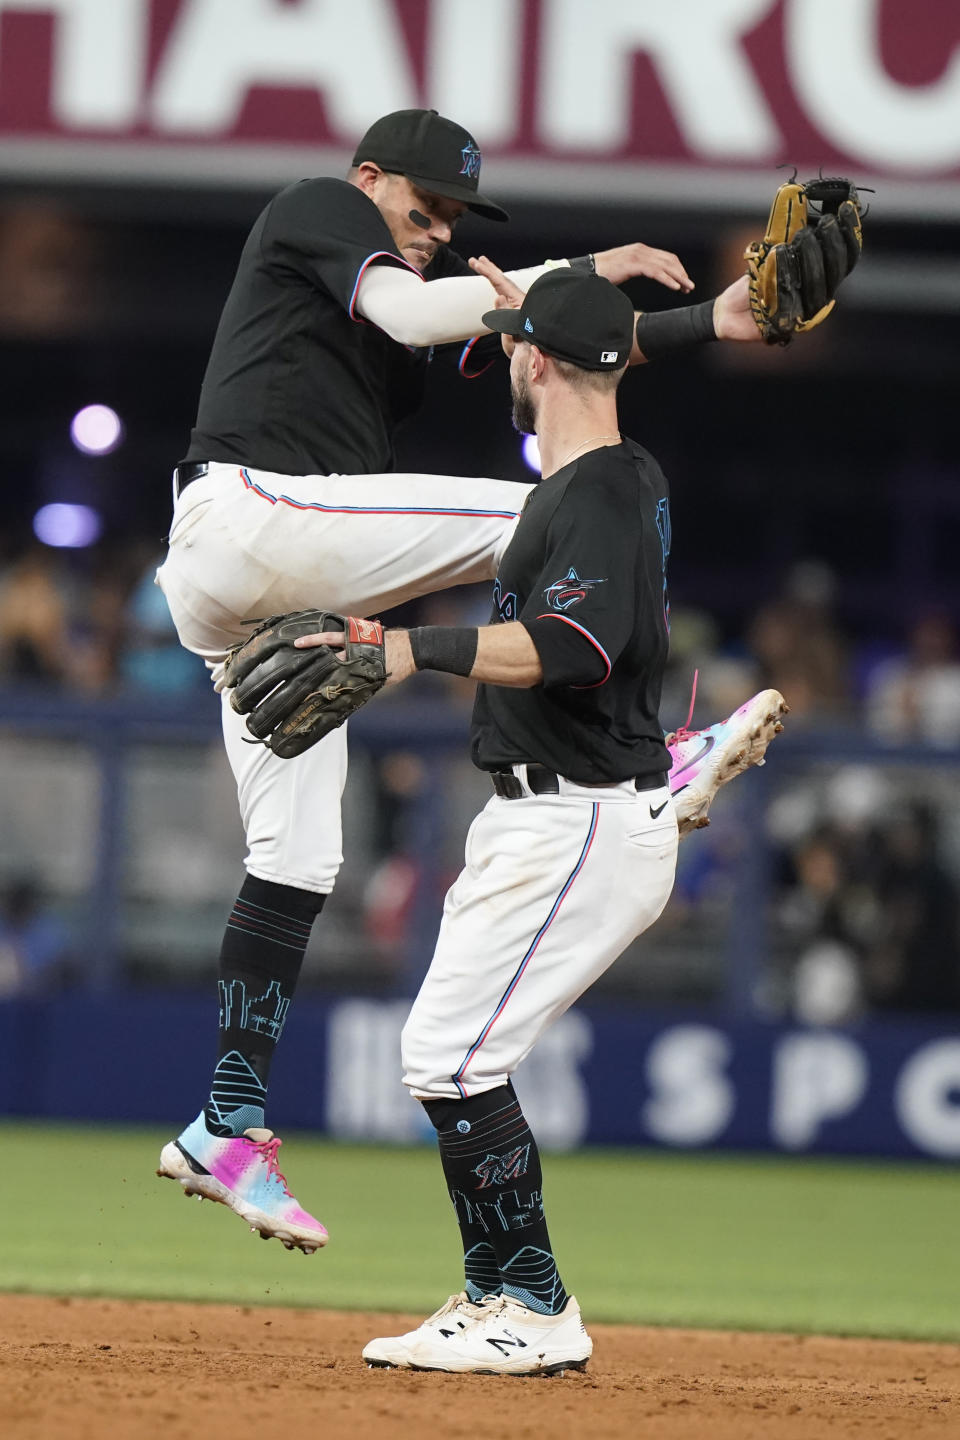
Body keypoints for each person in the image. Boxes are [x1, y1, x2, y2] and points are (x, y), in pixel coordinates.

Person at [155, 108, 778, 1252]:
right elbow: (416, 305)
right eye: (423, 206)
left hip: (264, 597)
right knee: (553, 512)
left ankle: (224, 1127)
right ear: (370, 178)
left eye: (450, 218)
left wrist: (713, 321)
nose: (437, 230)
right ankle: (651, 756)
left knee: (301, 855)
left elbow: (572, 362)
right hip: (249, 519)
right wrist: (584, 265)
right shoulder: (320, 209)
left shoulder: (410, 318)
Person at [283, 266, 678, 1372]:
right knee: (449, 1057)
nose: (502, 355)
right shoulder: (604, 476)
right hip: (559, 812)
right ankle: (496, 1294)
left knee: (452, 1058)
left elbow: (576, 649)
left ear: (540, 360)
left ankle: (536, 1308)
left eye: (512, 341)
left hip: (575, 822)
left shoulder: (596, 487)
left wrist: (404, 645)